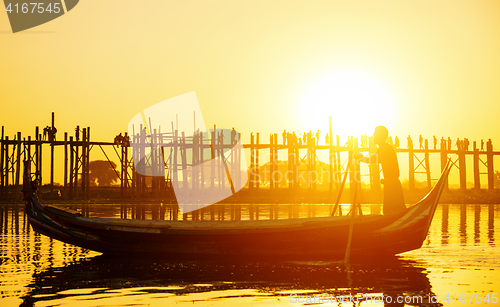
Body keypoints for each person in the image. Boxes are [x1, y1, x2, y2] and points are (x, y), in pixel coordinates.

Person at [359, 126, 406, 215]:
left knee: (392, 212)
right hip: (391, 183)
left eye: (375, 134)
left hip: (392, 184)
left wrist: (361, 158)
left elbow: (373, 159)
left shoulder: (385, 148)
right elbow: (374, 158)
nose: (373, 136)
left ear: (380, 136)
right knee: (394, 211)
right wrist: (361, 158)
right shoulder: (384, 148)